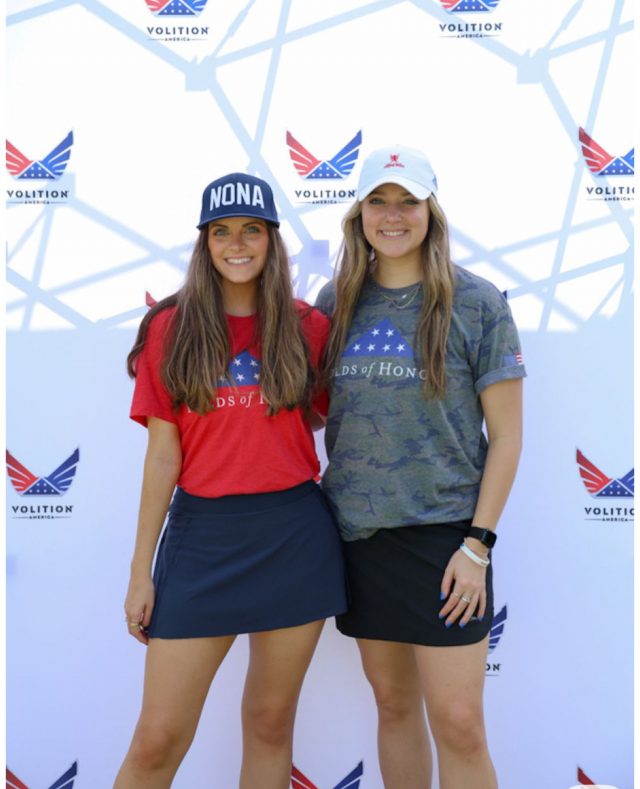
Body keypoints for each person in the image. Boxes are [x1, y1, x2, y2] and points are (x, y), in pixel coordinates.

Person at [114, 172, 347, 789]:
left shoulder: (307, 327)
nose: (236, 244)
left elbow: (322, 417)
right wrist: (141, 570)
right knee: (157, 738)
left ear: (271, 239)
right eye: (221, 232)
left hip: (294, 537)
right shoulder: (170, 326)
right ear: (205, 242)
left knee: (270, 724)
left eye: (251, 230)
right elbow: (162, 457)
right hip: (203, 541)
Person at [316, 145, 525, 789]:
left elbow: (508, 437)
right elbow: (314, 411)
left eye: (408, 200)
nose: (392, 215)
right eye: (378, 200)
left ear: (431, 209)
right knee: (393, 705)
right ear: (358, 213)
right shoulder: (335, 302)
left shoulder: (476, 302)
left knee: (460, 725)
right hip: (360, 538)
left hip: (448, 544)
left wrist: (477, 546)